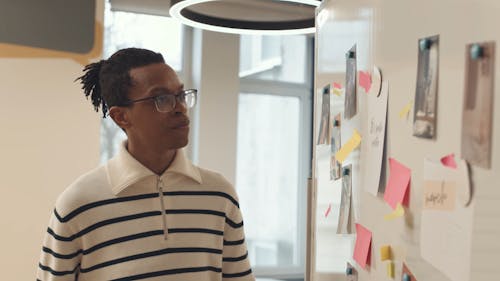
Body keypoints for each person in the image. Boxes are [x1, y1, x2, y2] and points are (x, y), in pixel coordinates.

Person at [36, 47, 255, 281]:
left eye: (180, 95)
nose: (180, 108)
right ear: (121, 116)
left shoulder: (220, 194)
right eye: (161, 99)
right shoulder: (77, 205)